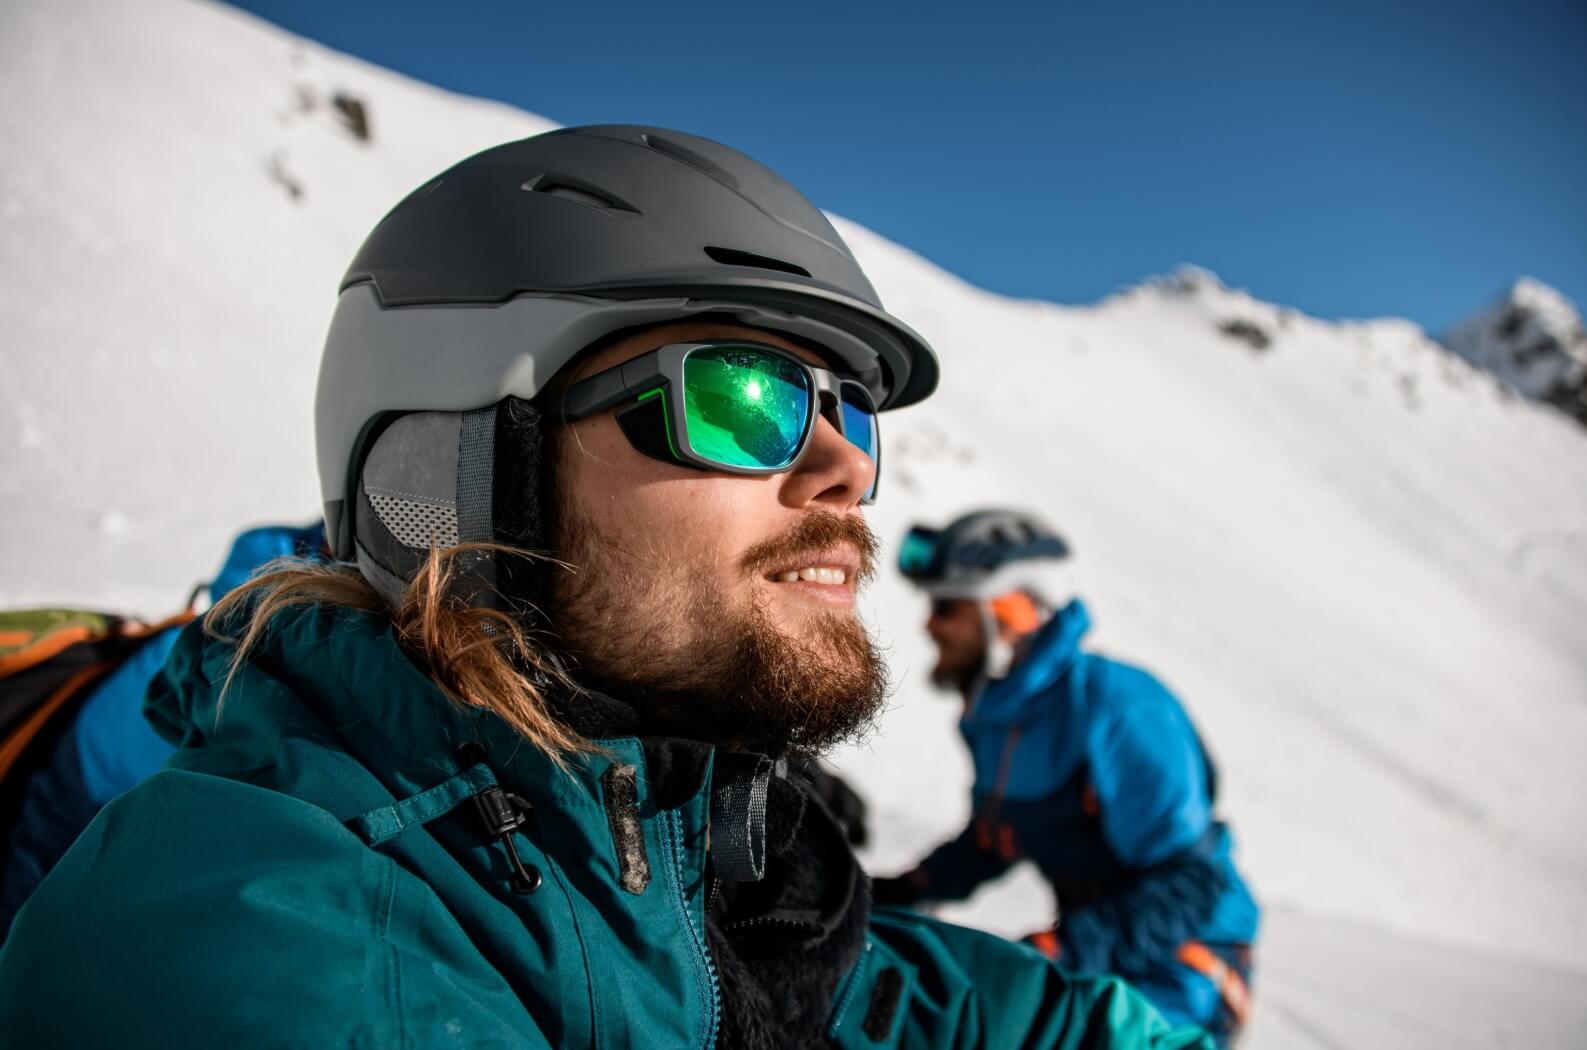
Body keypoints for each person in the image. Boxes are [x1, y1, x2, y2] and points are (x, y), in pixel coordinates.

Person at [0, 127, 1208, 1049]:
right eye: (744, 397)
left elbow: (948, 1008)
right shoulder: (265, 949)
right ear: (460, 469)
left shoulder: (691, 879)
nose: (846, 470)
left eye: (848, 416)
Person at [874, 510, 1258, 1043]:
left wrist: (1056, 951)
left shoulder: (1118, 707)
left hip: (1184, 968)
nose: (929, 625)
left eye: (946, 606)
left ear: (1008, 610)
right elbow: (995, 838)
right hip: (1099, 959)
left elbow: (1188, 884)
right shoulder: (998, 719)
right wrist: (894, 890)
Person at [0, 522, 324, 939]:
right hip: (100, 771)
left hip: (106, 731)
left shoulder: (283, 573)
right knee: (33, 905)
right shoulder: (299, 658)